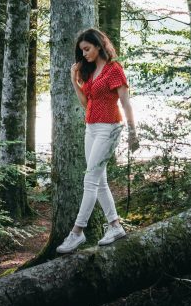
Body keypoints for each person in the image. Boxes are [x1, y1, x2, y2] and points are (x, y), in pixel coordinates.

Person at [56, 27, 140, 255]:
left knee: (90, 180)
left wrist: (133, 132)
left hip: (110, 128)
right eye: (81, 50)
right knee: (99, 181)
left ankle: (77, 232)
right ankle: (115, 226)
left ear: (99, 46)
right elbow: (86, 103)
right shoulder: (91, 72)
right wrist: (75, 81)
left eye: (87, 49)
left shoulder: (114, 70)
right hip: (91, 128)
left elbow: (125, 103)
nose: (84, 54)